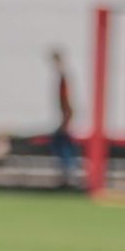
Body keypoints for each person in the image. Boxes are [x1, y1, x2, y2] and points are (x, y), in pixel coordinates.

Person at [48, 48, 80, 185]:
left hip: (66, 118)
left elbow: (66, 102)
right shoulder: (63, 77)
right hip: (65, 117)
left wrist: (65, 122)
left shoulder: (63, 78)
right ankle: (67, 175)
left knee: (63, 149)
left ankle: (69, 176)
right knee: (61, 146)